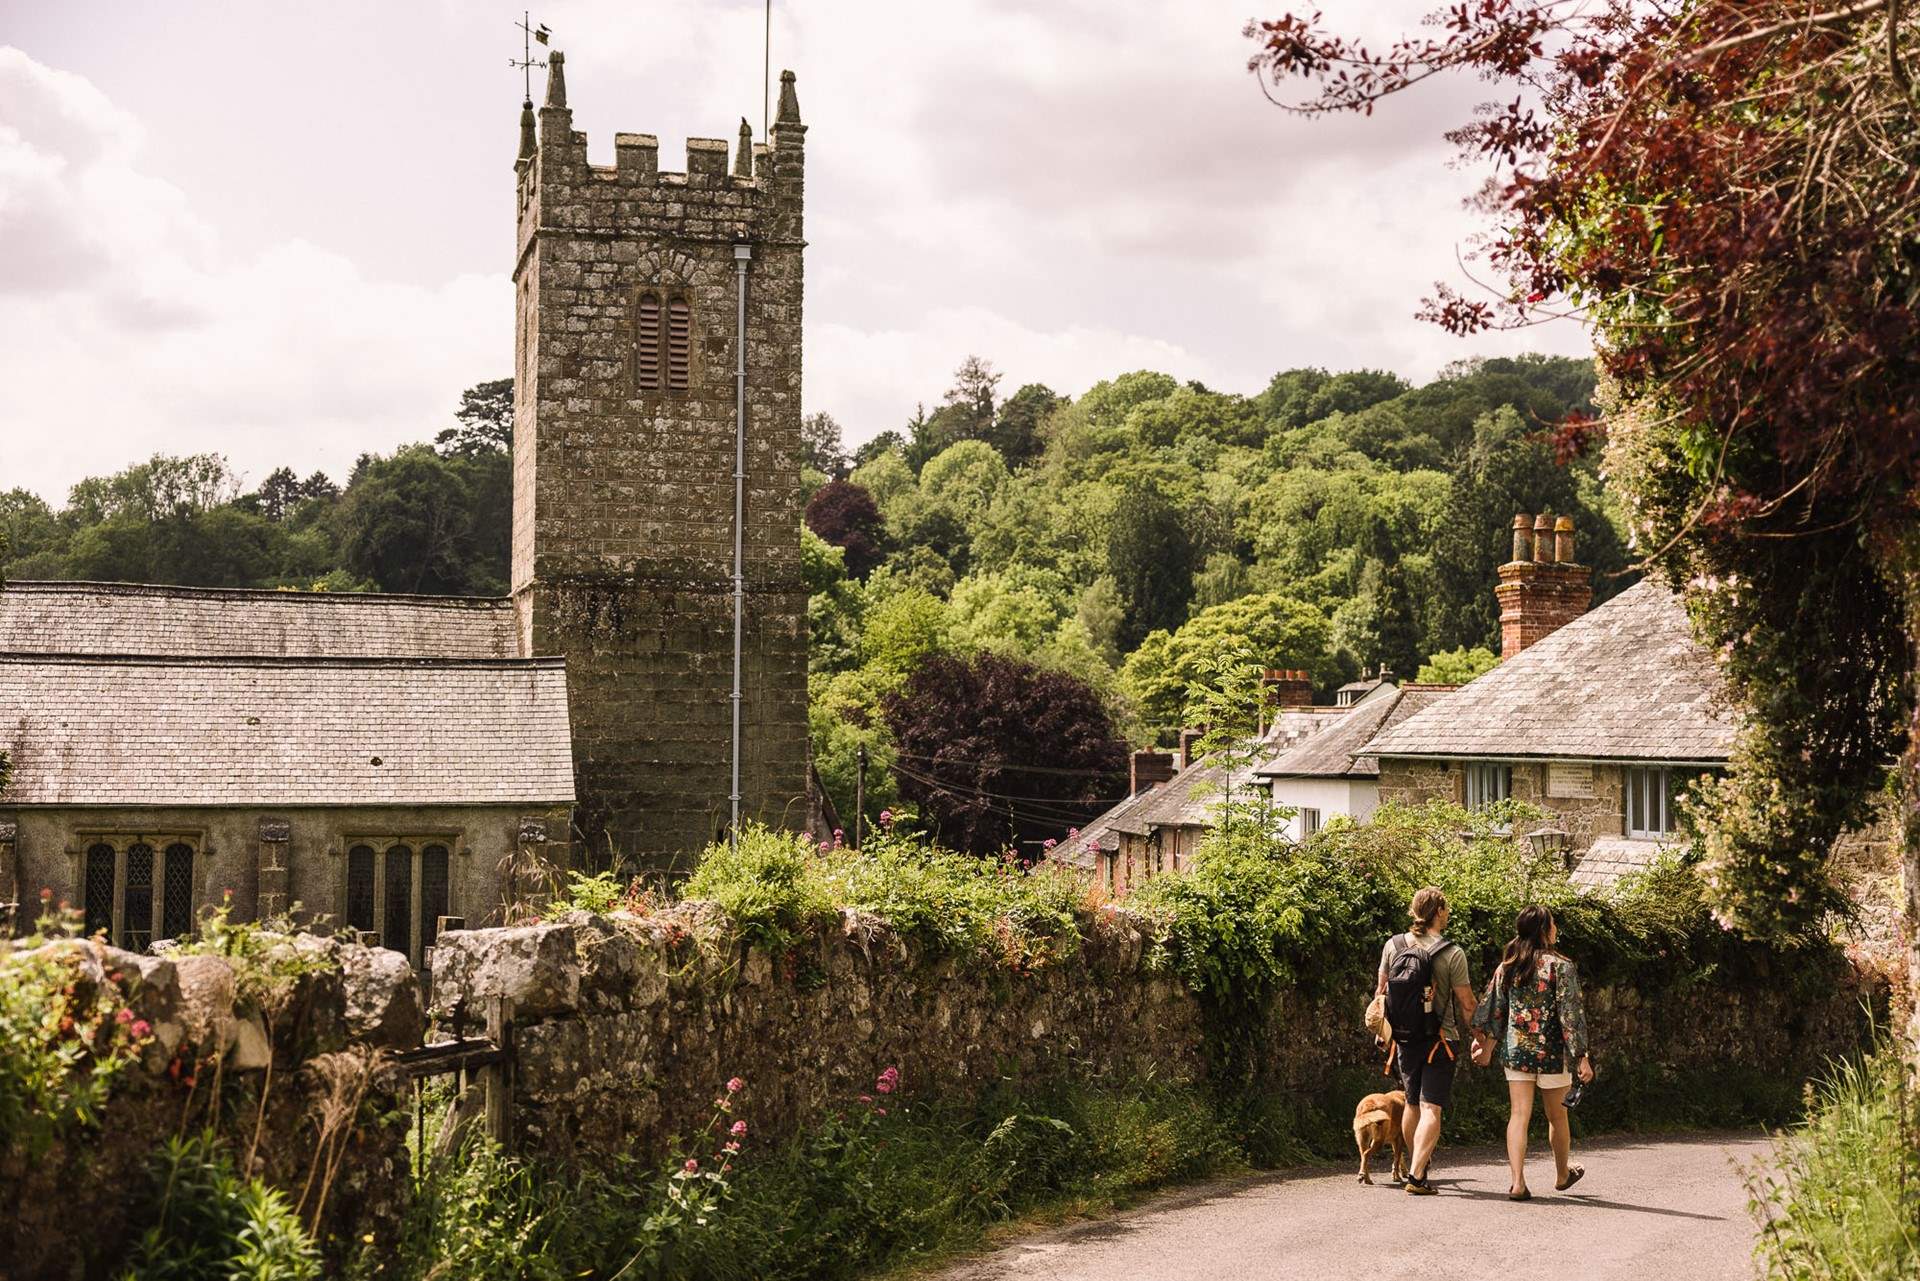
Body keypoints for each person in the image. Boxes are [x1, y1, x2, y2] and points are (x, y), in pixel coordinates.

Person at [1470, 904, 1595, 1201]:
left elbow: (1494, 1009)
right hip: (1552, 1054)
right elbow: (1570, 1015)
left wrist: (1486, 1044)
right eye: (1552, 924)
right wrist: (1582, 1056)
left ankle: (1517, 1182)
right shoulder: (1561, 966)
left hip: (1517, 1051)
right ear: (1543, 929)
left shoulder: (1509, 964)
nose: (1555, 929)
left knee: (1519, 1115)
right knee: (1557, 1117)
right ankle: (1562, 1174)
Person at [1376, 886, 1475, 1195]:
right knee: (1432, 1106)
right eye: (1445, 909)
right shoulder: (1451, 952)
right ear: (1438, 913)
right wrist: (1480, 1035)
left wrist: (1385, 1032)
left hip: (1404, 1039)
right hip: (1440, 1039)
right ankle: (1418, 1175)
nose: (1448, 914)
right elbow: (1467, 1002)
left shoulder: (1392, 946)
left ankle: (1413, 1162)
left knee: (1412, 1102)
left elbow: (1381, 993)